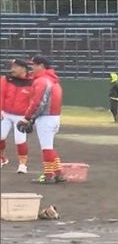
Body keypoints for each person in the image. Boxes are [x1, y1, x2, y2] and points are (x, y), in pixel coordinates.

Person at [23, 55, 66, 184]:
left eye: (34, 65)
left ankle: (48, 175)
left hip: (46, 118)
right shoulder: (53, 80)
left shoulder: (42, 81)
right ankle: (58, 173)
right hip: (54, 117)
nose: (32, 68)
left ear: (41, 65)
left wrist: (27, 118)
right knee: (50, 147)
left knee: (46, 148)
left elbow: (38, 103)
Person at [0, 58, 34, 174]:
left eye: (15, 67)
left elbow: (32, 101)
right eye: (12, 66)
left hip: (21, 116)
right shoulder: (6, 79)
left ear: (23, 68)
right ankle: (2, 158)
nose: (12, 69)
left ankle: (22, 165)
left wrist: (29, 118)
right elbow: (1, 95)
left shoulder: (32, 82)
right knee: (0, 136)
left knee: (20, 140)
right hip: (6, 113)